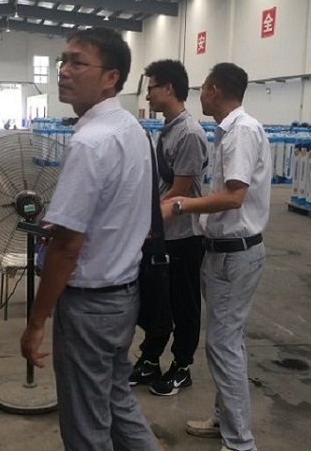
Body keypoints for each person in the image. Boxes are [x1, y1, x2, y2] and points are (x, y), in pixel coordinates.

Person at [20, 27, 163, 451]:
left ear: (110, 78)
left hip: (89, 305)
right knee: (117, 399)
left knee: (86, 428)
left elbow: (67, 248)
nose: (64, 71)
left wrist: (35, 322)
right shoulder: (132, 129)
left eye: (78, 62)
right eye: (62, 61)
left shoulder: (89, 142)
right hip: (123, 296)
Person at [161, 62, 272, 451]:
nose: (200, 96)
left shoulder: (241, 132)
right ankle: (225, 420)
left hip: (234, 255)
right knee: (229, 342)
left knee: (223, 346)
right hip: (226, 253)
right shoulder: (232, 131)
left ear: (215, 90)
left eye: (203, 88)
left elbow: (234, 196)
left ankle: (240, 442)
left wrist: (179, 205)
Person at [129, 60, 207, 397]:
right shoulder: (169, 128)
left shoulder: (189, 133)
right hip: (161, 234)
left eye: (151, 88)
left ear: (169, 89)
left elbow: (180, 192)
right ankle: (150, 359)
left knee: (183, 304)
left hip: (183, 236)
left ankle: (182, 365)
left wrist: (149, 221)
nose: (147, 94)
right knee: (157, 301)